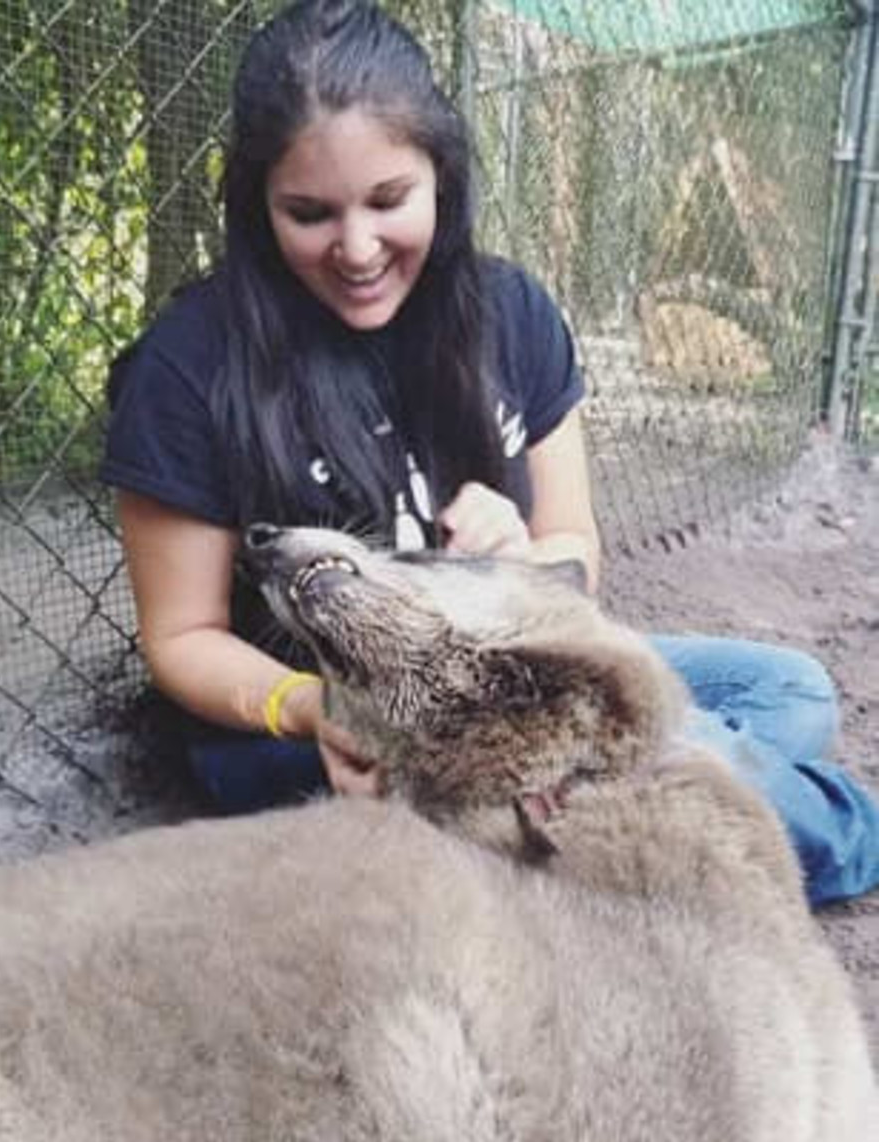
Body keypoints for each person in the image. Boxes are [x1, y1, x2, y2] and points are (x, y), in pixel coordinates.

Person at [101, 0, 879, 906]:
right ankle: (732, 814)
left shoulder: (512, 313)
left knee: (791, 691)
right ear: (257, 203)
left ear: (442, 174)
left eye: (389, 201)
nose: (356, 249)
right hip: (323, 716)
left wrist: (529, 565)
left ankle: (583, 800)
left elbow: (575, 555)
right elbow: (181, 638)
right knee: (749, 787)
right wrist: (316, 709)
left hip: (502, 674)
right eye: (309, 213)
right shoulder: (190, 363)